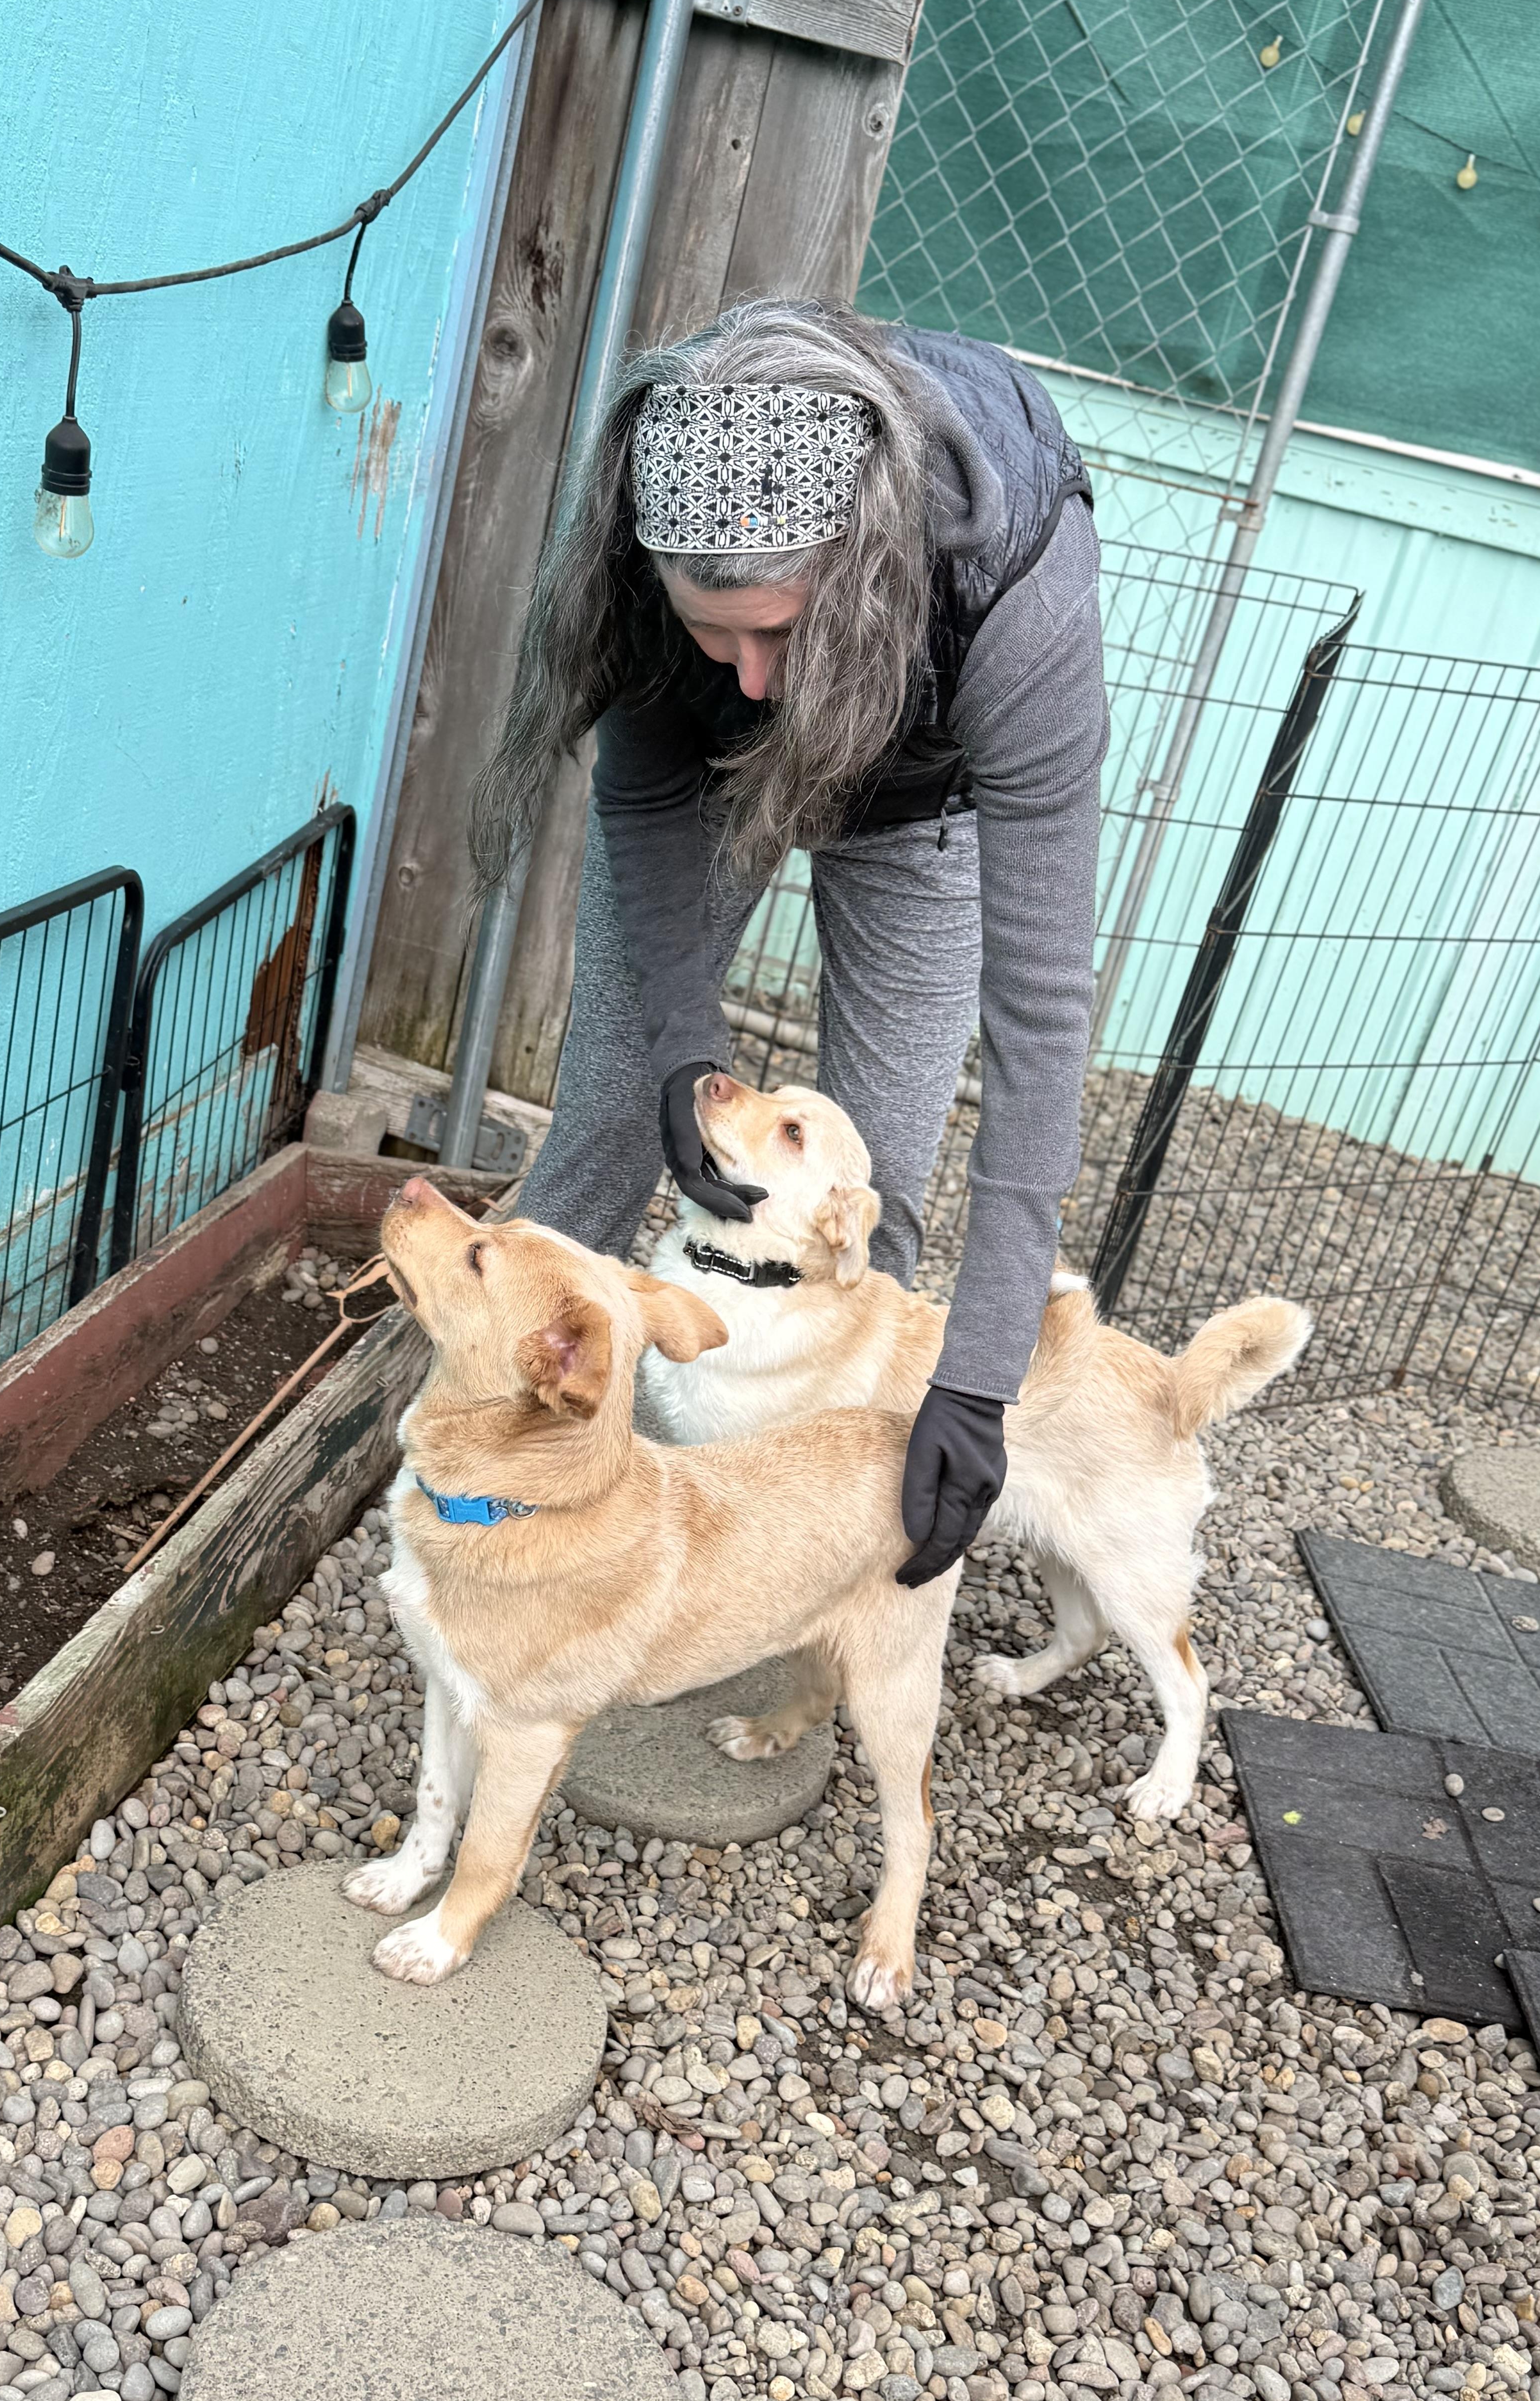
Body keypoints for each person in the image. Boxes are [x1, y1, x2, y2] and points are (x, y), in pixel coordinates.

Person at [471, 299, 1104, 1586]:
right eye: (717, 631)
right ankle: (492, 1475)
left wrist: (979, 1379)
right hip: (711, 781)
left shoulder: (1017, 597)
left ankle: (813, 1562)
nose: (755, 675)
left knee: (882, 1186)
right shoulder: (645, 549)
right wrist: (684, 1047)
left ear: (860, 566)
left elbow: (1039, 1022)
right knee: (610, 1109)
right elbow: (647, 795)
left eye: (783, 628)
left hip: (924, 797)